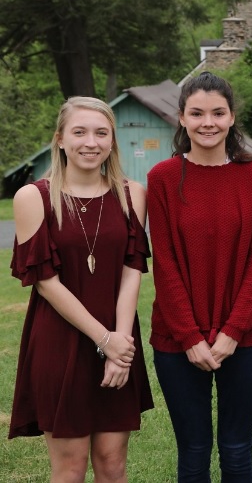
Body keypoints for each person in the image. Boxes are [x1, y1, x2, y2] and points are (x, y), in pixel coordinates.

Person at [8, 96, 153, 481]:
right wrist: (103, 340)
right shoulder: (33, 197)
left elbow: (132, 270)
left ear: (112, 141)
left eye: (101, 133)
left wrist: (120, 347)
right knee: (70, 469)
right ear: (59, 139)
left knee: (112, 463)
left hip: (119, 335)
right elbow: (46, 283)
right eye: (80, 132)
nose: (91, 142)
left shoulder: (132, 194)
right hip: (60, 341)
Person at [147, 71, 252, 482]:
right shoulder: (163, 178)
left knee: (238, 448)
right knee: (194, 450)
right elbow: (163, 264)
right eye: (197, 113)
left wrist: (232, 332)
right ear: (181, 118)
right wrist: (190, 337)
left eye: (218, 113)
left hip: (247, 336)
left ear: (232, 117)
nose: (208, 122)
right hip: (177, 338)